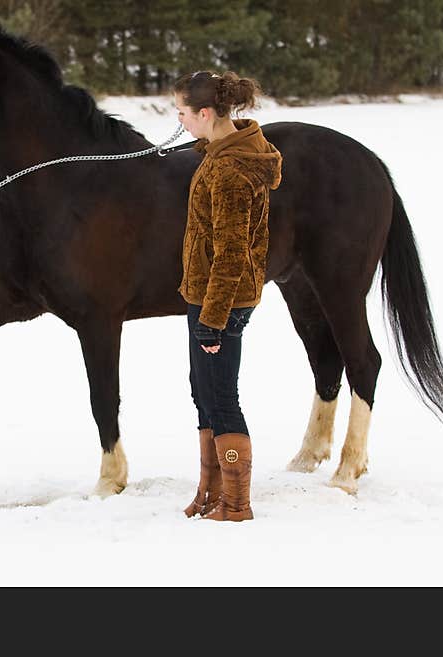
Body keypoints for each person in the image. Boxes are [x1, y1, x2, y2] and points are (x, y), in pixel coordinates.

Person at [173, 71, 282, 522]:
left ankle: (236, 504)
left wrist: (213, 319)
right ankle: (209, 493)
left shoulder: (231, 172)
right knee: (204, 392)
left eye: (181, 112)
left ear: (204, 113)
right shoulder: (222, 155)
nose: (178, 121)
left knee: (221, 398)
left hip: (222, 301)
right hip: (207, 296)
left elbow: (232, 252)